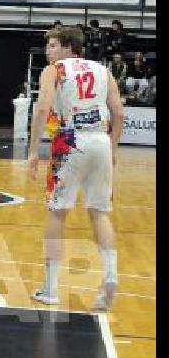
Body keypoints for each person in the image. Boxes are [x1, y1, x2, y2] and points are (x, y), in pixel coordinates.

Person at [28, 26, 124, 312]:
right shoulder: (102, 70)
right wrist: (114, 148)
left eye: (54, 45)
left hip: (70, 141)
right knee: (100, 213)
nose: (48, 51)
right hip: (101, 141)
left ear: (70, 47)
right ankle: (110, 278)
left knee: (57, 213)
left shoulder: (55, 70)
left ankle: (51, 287)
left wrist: (34, 150)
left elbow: (42, 108)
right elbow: (118, 112)